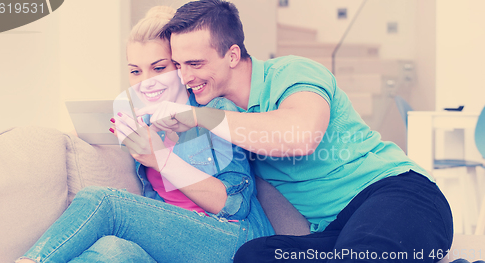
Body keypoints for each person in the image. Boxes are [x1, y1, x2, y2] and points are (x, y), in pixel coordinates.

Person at [135, 0, 454, 262]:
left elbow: (299, 136)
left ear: (232, 55)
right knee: (254, 255)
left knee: (362, 251)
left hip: (399, 194)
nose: (185, 76)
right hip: (337, 228)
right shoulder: (217, 108)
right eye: (178, 65)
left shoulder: (292, 73)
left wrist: (200, 116)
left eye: (195, 63)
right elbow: (150, 80)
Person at [16, 6, 273, 263]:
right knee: (112, 251)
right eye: (135, 71)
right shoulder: (137, 116)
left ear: (180, 67)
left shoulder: (215, 111)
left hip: (232, 240)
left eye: (159, 68)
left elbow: (234, 205)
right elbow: (78, 132)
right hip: (170, 243)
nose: (146, 82)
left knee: (104, 201)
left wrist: (159, 157)